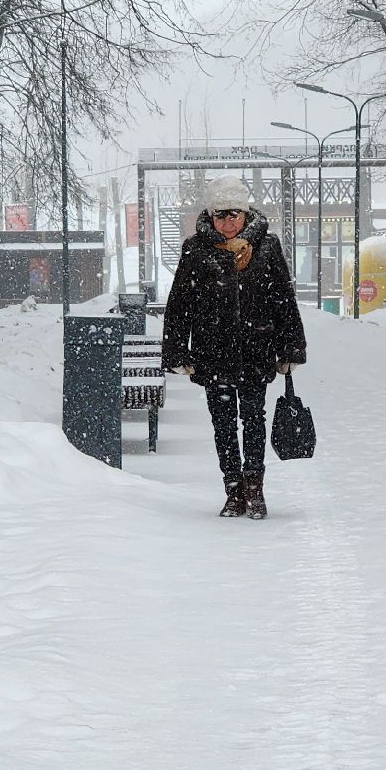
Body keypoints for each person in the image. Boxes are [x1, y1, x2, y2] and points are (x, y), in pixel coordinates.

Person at [161, 176, 307, 519]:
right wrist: (177, 351)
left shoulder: (267, 248)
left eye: (234, 214)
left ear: (245, 214)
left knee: (254, 418)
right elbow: (180, 303)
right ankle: (233, 490)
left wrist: (290, 348)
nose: (228, 222)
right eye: (220, 215)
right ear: (211, 217)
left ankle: (255, 488)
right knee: (223, 424)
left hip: (256, 350)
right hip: (213, 353)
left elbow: (283, 300)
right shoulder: (195, 250)